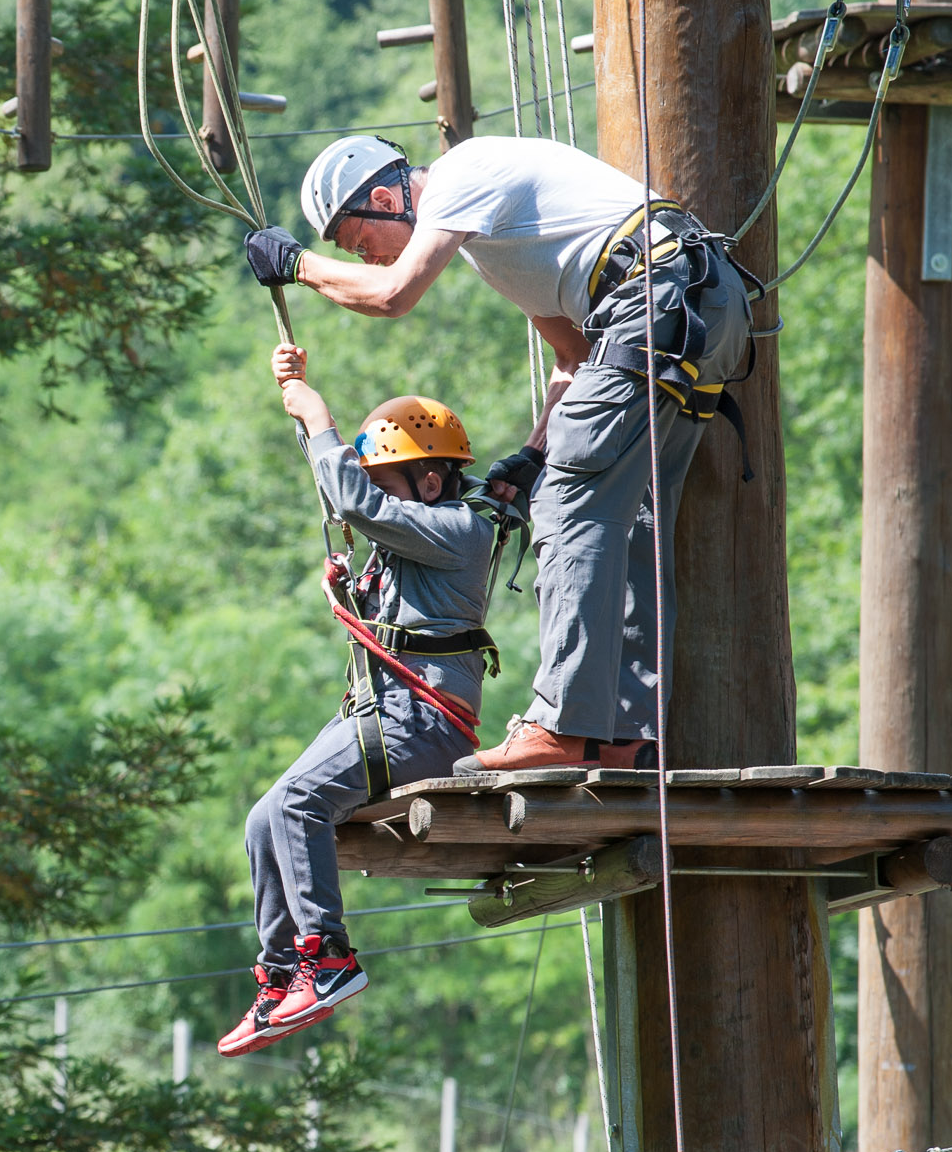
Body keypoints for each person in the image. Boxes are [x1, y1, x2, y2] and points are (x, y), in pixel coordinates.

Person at [243, 134, 753, 772]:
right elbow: (573, 355)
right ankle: (623, 734)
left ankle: (565, 724)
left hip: (658, 296)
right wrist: (535, 452)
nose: (365, 259)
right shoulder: (494, 248)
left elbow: (392, 294)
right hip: (697, 305)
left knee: (568, 509)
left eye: (359, 243)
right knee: (633, 519)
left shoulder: (462, 174)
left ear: (385, 200)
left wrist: (298, 265)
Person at [223, 343, 496, 1057]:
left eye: (388, 482)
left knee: (298, 803)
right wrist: (351, 587)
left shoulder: (461, 531)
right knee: (264, 818)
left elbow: (352, 500)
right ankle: (282, 973)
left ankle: (328, 957)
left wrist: (318, 416)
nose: (379, 499)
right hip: (385, 716)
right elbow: (354, 509)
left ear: (431, 480)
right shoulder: (410, 545)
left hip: (420, 724)